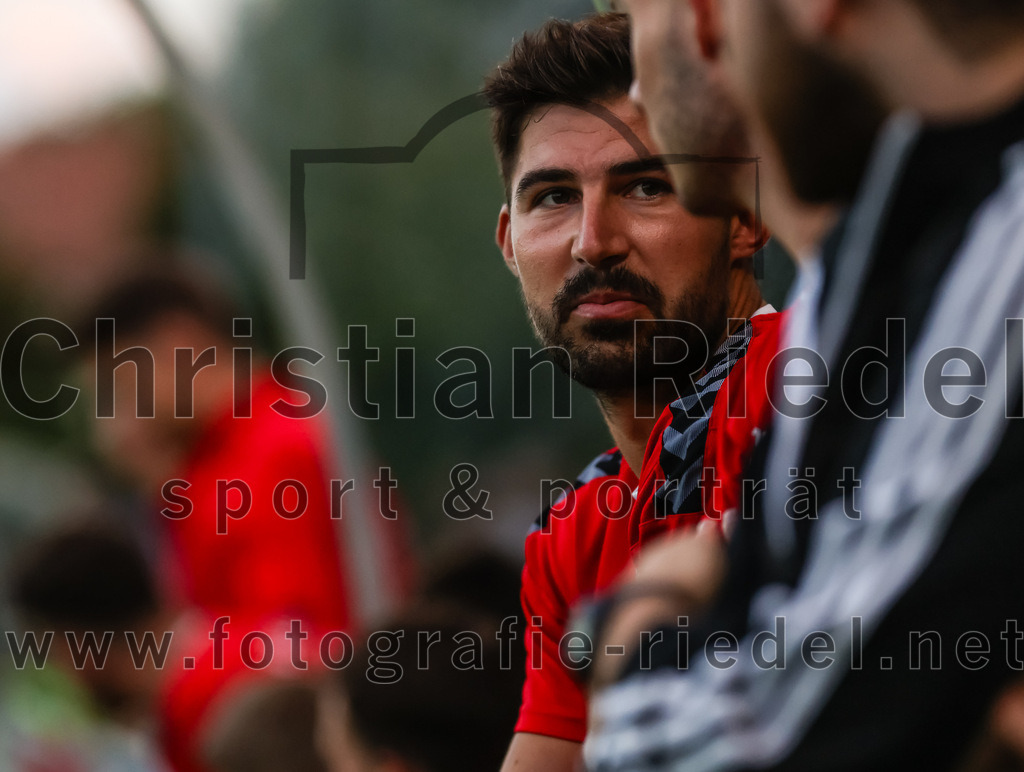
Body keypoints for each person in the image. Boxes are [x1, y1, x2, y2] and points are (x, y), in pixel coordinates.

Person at [585, 1, 1024, 770]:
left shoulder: (999, 258)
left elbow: (771, 744)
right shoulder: (895, 255)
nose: (642, 91)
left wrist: (639, 620)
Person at [482, 14, 782, 770]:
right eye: (552, 197)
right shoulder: (574, 539)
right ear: (510, 243)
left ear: (745, 217)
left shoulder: (805, 387)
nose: (594, 240)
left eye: (647, 186)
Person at [76, 266, 362, 772]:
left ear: (177, 345)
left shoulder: (275, 451)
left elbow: (301, 648)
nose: (109, 426)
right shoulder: (215, 464)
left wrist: (170, 670)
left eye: (115, 388)